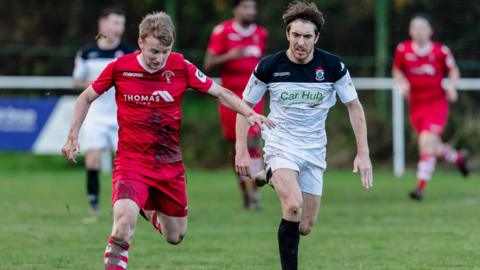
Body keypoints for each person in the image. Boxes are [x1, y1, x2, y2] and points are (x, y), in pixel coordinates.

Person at [62, 11, 273, 270]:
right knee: (123, 225)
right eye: (153, 52)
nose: (159, 59)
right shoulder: (120, 67)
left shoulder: (180, 66)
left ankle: (147, 209)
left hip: (169, 165)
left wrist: (248, 112)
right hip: (132, 162)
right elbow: (85, 97)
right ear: (140, 43)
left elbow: (219, 92)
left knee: (175, 236)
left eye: (165, 51)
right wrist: (72, 136)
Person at [235, 2, 373, 269]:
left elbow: (354, 107)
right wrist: (241, 148)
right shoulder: (269, 66)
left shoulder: (333, 66)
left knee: (305, 226)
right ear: (287, 34)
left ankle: (270, 176)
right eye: (295, 35)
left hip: (313, 150)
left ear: (316, 37)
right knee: (293, 207)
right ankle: (275, 171)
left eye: (307, 36)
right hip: (280, 145)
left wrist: (363, 152)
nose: (300, 42)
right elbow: (244, 108)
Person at [392, 15, 469, 201]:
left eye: (422, 28)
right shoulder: (403, 50)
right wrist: (401, 84)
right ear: (410, 32)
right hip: (416, 104)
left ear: (430, 31)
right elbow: (396, 70)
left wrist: (451, 86)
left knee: (426, 143)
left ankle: (420, 188)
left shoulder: (440, 51)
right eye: (415, 28)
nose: (419, 32)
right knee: (432, 146)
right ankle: (458, 157)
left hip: (436, 103)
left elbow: (453, 70)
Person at [204, 0, 268, 210]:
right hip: (230, 97)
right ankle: (245, 192)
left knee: (252, 141)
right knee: (236, 147)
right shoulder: (222, 31)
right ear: (236, 9)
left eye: (253, 8)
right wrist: (230, 56)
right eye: (246, 7)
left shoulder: (261, 33)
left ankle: (256, 191)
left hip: (254, 96)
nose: (250, 11)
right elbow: (208, 63)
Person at [72, 7, 136, 220]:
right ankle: (94, 206)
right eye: (116, 23)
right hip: (95, 115)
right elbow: (77, 82)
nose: (120, 28)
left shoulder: (130, 53)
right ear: (103, 24)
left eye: (122, 23)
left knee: (127, 164)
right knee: (93, 161)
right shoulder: (87, 52)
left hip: (122, 116)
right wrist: (94, 84)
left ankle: (128, 205)